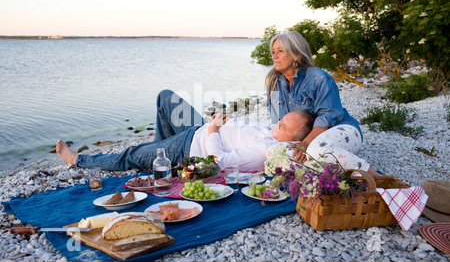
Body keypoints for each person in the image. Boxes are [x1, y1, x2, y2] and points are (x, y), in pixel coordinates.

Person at [56, 89, 315, 172]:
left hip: (191, 146)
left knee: (131, 154)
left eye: (282, 126)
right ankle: (159, 160)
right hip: (198, 129)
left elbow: (219, 162)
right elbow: (245, 131)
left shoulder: (265, 150)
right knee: (165, 97)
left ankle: (79, 159)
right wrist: (226, 120)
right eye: (282, 119)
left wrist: (214, 127)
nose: (277, 123)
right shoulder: (273, 132)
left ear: (293, 139)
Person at [265, 31, 380, 177]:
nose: (274, 56)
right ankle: (332, 176)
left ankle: (376, 178)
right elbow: (277, 122)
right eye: (274, 51)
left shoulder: (319, 79)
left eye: (280, 51)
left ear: (296, 55)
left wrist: (306, 144)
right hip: (306, 142)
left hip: (340, 129)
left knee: (316, 150)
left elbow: (328, 117)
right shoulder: (274, 83)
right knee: (272, 152)